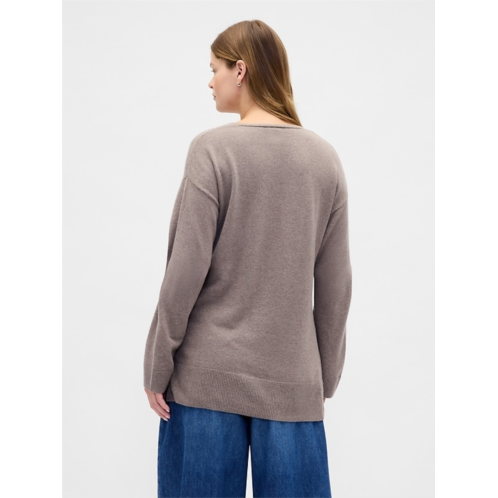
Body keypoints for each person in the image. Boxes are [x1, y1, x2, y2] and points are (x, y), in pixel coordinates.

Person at [143, 19, 352, 498]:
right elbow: (336, 286)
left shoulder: (212, 151)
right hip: (292, 380)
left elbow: (184, 271)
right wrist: (323, 375)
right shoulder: (325, 160)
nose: (209, 81)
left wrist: (158, 363)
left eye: (214, 68)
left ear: (240, 70)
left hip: (205, 380)